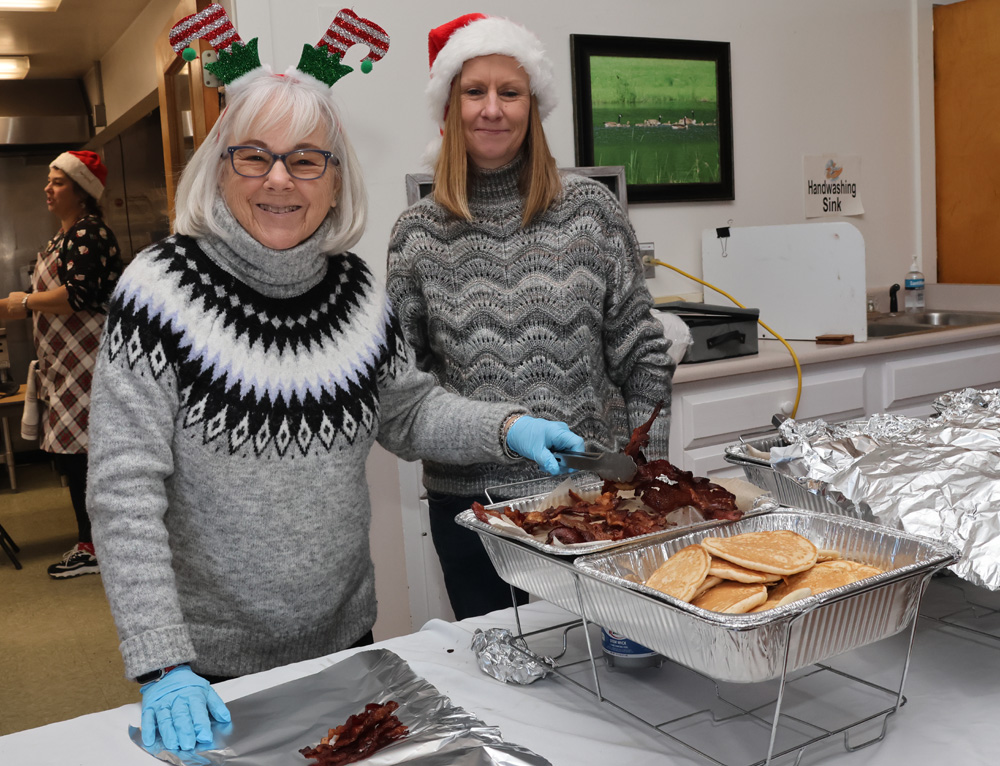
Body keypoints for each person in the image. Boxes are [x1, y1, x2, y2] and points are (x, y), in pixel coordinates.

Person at [85, 16, 583, 753]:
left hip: (345, 637)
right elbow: (123, 490)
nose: (280, 179)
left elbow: (407, 410)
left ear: (335, 177)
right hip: (208, 668)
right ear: (219, 168)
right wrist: (162, 661)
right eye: (254, 157)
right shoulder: (157, 291)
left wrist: (506, 428)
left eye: (306, 160)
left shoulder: (353, 289)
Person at [387, 14, 675, 620]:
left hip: (591, 504)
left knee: (603, 675)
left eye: (509, 92)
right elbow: (404, 393)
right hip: (473, 515)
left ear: (533, 107)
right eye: (474, 91)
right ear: (450, 106)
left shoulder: (591, 213)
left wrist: (643, 476)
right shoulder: (416, 236)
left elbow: (643, 356)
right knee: (501, 680)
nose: (492, 109)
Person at [2, 150, 123, 579]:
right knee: (75, 459)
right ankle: (92, 541)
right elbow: (34, 306)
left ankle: (98, 546)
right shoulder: (61, 237)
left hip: (91, 364)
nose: (47, 188)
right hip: (67, 367)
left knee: (88, 459)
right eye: (49, 181)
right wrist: (9, 307)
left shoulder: (90, 232)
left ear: (82, 190)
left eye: (57, 182)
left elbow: (76, 296)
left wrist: (25, 301)